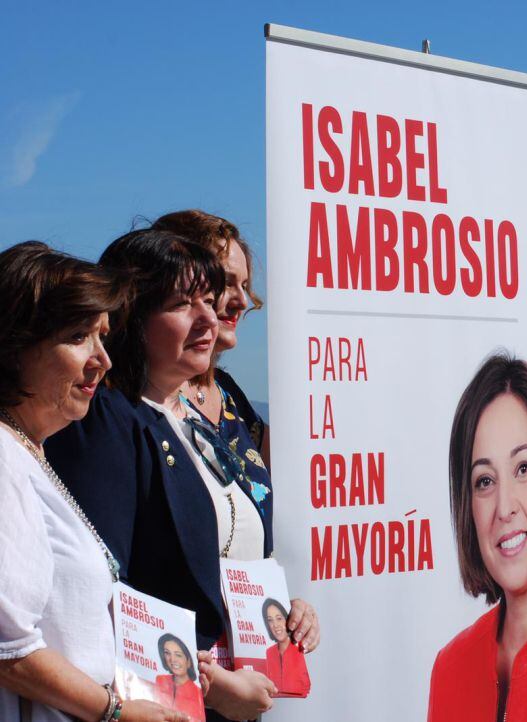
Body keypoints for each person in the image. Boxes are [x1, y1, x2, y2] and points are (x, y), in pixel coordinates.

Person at [44, 229, 318, 721]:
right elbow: (101, 601)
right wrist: (211, 687)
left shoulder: (196, 418)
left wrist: (282, 614)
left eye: (210, 302)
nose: (209, 319)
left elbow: (223, 557)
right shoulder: (106, 419)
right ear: (132, 317)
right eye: (182, 303)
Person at [0, 241, 185, 722]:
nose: (101, 358)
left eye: (103, 336)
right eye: (80, 335)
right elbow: (10, 651)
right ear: (17, 345)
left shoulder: (29, 452)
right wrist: (116, 712)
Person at [427, 354, 527, 722]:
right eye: (484, 481)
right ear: (467, 506)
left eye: (523, 468)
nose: (505, 508)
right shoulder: (449, 665)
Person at [151, 210, 270, 470]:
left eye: (245, 285)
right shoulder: (141, 403)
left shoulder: (228, 393)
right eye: (226, 283)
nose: (243, 301)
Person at [262, 599, 310, 698]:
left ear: (287, 619)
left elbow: (305, 687)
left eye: (279, 618)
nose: (275, 625)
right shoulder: (269, 652)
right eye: (270, 620)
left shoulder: (298, 649)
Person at [155, 635, 205, 721]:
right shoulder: (160, 680)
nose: (172, 659)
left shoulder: (197, 693)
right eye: (167, 653)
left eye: (178, 655)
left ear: (188, 661)